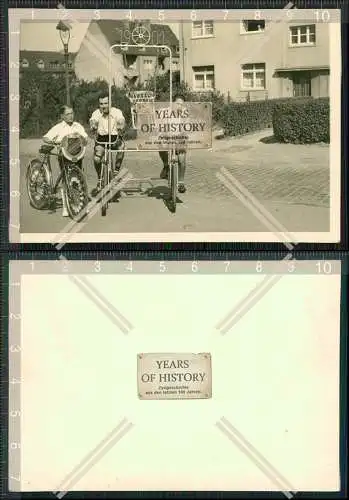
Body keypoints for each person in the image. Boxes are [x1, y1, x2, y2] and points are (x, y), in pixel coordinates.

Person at [42, 105, 88, 217]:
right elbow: (45, 137)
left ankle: (82, 205)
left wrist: (84, 139)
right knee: (65, 179)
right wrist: (54, 142)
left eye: (72, 113)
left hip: (77, 155)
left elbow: (85, 138)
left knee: (78, 178)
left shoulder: (78, 126)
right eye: (67, 114)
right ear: (62, 116)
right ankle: (65, 207)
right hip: (64, 156)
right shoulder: (58, 127)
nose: (71, 116)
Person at [89, 93, 126, 197]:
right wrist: (93, 126)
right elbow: (93, 121)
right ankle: (100, 179)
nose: (103, 106)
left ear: (110, 103)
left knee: (122, 148)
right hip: (101, 139)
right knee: (97, 158)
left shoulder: (116, 111)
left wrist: (121, 125)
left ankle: (115, 172)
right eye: (101, 103)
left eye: (106, 103)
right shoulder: (96, 113)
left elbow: (121, 120)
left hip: (114, 137)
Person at [158, 93, 188, 194]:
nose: (179, 106)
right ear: (173, 103)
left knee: (182, 160)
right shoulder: (165, 111)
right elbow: (158, 123)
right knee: (160, 144)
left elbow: (188, 126)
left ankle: (181, 182)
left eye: (181, 104)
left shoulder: (184, 113)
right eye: (178, 103)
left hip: (179, 137)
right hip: (167, 136)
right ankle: (166, 165)